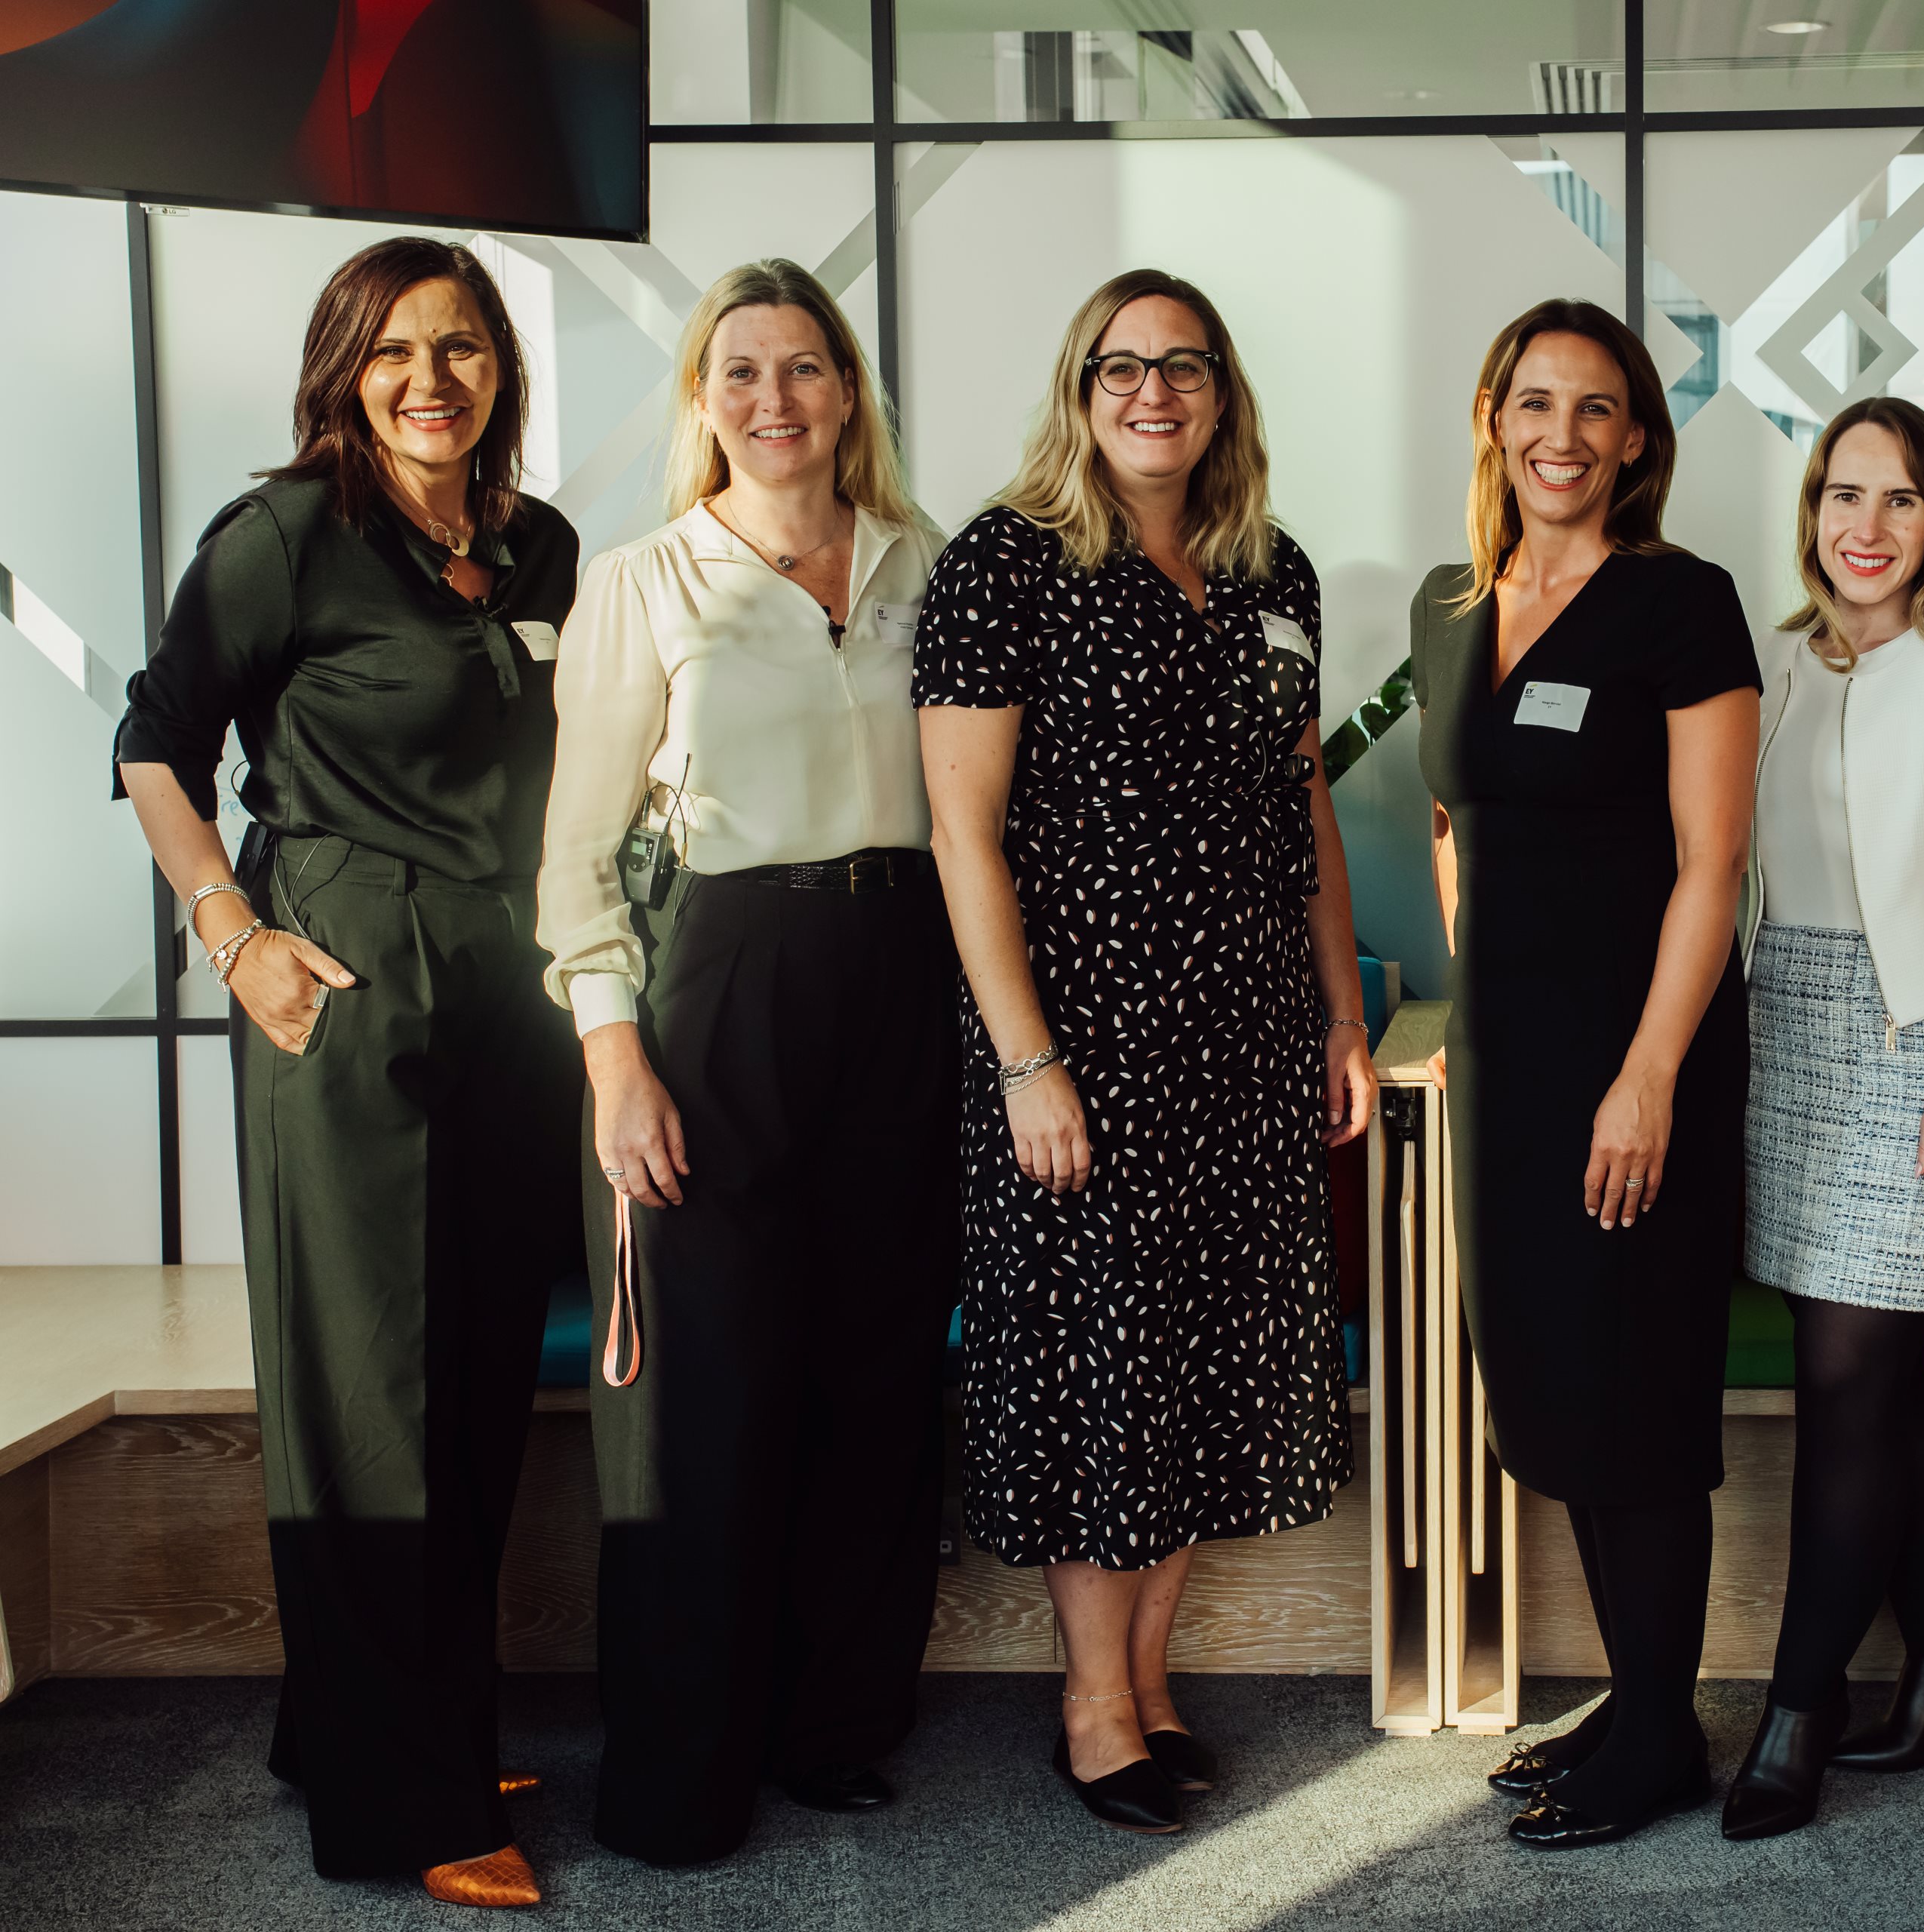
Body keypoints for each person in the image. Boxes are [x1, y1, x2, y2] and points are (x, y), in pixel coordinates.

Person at [112, 237, 579, 1908]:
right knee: (369, 1393)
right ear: (345, 368)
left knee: (468, 1382)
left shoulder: (539, 547)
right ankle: (403, 1806)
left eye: (460, 347)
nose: (430, 378)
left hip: (513, 1002)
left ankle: (383, 1720)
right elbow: (153, 739)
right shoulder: (284, 535)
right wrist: (235, 938)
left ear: (501, 371)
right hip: (348, 991)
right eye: (394, 352)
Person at [913, 269, 1372, 1836]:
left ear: (1223, 392)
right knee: (1099, 1367)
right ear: (1079, 387)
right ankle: (1092, 1695)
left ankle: (1155, 1673)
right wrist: (1027, 1060)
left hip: (1242, 1038)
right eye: (1122, 366)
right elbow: (963, 834)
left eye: (1185, 366)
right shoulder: (1006, 564)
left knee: (1204, 1359)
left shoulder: (1272, 569)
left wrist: (1341, 1015)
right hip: (1083, 1045)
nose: (1153, 391)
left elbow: (1301, 803)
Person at [535, 260, 955, 1866]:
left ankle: (835, 1724)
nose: (772, 400)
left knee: (871, 1376)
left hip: (902, 972)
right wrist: (614, 1056)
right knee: (702, 1400)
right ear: (704, 404)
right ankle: (679, 1772)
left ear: (848, 391)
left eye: (802, 368)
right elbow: (572, 858)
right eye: (739, 375)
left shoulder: (932, 569)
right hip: (717, 987)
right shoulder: (648, 580)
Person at [1415, 297, 1760, 1850]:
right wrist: (1474, 998)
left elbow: (1713, 864)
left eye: (1596, 408)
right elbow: (1450, 825)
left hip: (1639, 1061)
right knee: (1552, 1384)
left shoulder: (1682, 603)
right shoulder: (1449, 606)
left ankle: (1664, 1731)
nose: (1562, 433)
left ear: (1637, 438)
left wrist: (1649, 1074)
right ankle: (1638, 1696)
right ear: (1495, 416)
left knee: (1637, 1393)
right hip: (1508, 1063)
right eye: (1535, 401)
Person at [1720, 396, 1924, 1841]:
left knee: (1851, 1370)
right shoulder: (1781, 663)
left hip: (1922, 1043)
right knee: (1878, 1371)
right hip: (1785, 1029)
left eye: (1899, 501)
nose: (1865, 527)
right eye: (1843, 497)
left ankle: (1800, 1705)